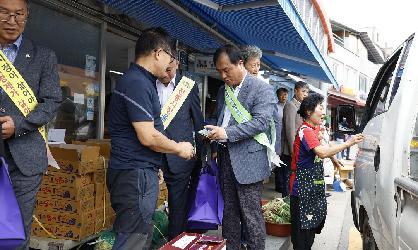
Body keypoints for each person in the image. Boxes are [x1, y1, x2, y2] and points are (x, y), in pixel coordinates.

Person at [107, 27, 195, 250]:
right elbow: (148, 136)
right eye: (169, 57)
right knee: (131, 240)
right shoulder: (136, 82)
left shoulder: (140, 81)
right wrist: (178, 148)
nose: (169, 64)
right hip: (133, 174)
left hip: (138, 171)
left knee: (139, 236)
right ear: (158, 53)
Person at [0, 0, 62, 249]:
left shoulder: (43, 56)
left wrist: (19, 123)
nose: (11, 20)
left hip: (25, 158)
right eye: (4, 13)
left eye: (19, 14)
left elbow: (52, 101)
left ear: (27, 17)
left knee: (16, 231)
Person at [205, 45, 276, 250]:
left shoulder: (261, 88)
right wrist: (213, 135)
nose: (223, 75)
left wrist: (226, 133)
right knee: (229, 213)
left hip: (248, 162)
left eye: (227, 69)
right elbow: (222, 119)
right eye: (219, 71)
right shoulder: (222, 90)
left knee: (251, 215)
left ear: (240, 63)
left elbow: (261, 122)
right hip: (225, 158)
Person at [289, 93, 364, 249]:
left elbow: (324, 146)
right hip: (302, 188)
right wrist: (348, 143)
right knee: (302, 236)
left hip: (312, 186)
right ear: (309, 112)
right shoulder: (306, 131)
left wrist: (334, 159)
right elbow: (321, 152)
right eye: (320, 108)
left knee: (311, 227)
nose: (323, 112)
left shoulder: (314, 129)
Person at [156, 59, 204, 239]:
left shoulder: (188, 86)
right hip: (152, 155)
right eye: (163, 69)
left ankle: (175, 241)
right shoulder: (148, 84)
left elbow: (198, 121)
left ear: (176, 63)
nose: (166, 74)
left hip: (180, 158)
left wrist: (201, 156)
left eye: (170, 69)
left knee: (178, 209)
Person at [281, 81, 309, 197]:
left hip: (298, 150)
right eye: (303, 91)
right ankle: (286, 206)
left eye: (307, 92)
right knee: (287, 180)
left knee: (294, 180)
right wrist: (294, 152)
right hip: (290, 151)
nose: (306, 94)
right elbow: (289, 131)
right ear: (296, 91)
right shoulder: (290, 106)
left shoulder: (301, 106)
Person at [274, 87, 288, 192]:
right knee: (278, 161)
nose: (284, 96)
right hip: (277, 137)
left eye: (285, 94)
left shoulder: (289, 107)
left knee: (285, 161)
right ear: (278, 96)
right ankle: (279, 185)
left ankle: (284, 183)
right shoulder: (275, 107)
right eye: (282, 94)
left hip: (286, 138)